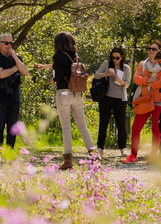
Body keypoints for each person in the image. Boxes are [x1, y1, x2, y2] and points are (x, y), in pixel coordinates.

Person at [50, 31, 96, 170]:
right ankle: (93, 156)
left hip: (63, 93)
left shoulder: (58, 56)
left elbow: (58, 76)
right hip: (77, 94)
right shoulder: (76, 56)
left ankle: (68, 161)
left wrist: (53, 80)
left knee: (66, 128)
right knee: (83, 126)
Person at [123, 40, 161, 164]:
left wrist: (147, 82)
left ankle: (153, 156)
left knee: (155, 129)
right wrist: (149, 80)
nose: (151, 51)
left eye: (154, 49)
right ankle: (133, 155)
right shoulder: (143, 64)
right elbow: (136, 79)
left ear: (159, 51)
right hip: (144, 100)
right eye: (150, 48)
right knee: (135, 127)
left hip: (158, 101)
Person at [0, 34, 29, 161]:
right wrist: (16, 68)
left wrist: (16, 59)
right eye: (6, 43)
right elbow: (1, 74)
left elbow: (25, 72)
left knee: (13, 129)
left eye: (11, 43)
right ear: (0, 44)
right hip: (0, 99)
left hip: (14, 99)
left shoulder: (16, 58)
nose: (9, 46)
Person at [94, 47, 131, 159]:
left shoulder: (126, 68)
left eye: (117, 58)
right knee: (103, 122)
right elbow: (96, 75)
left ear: (122, 57)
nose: (114, 60)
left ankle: (123, 148)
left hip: (120, 99)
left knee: (121, 124)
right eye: (113, 57)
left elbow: (128, 83)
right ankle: (100, 147)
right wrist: (106, 74)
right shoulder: (106, 64)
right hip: (106, 97)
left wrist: (121, 82)